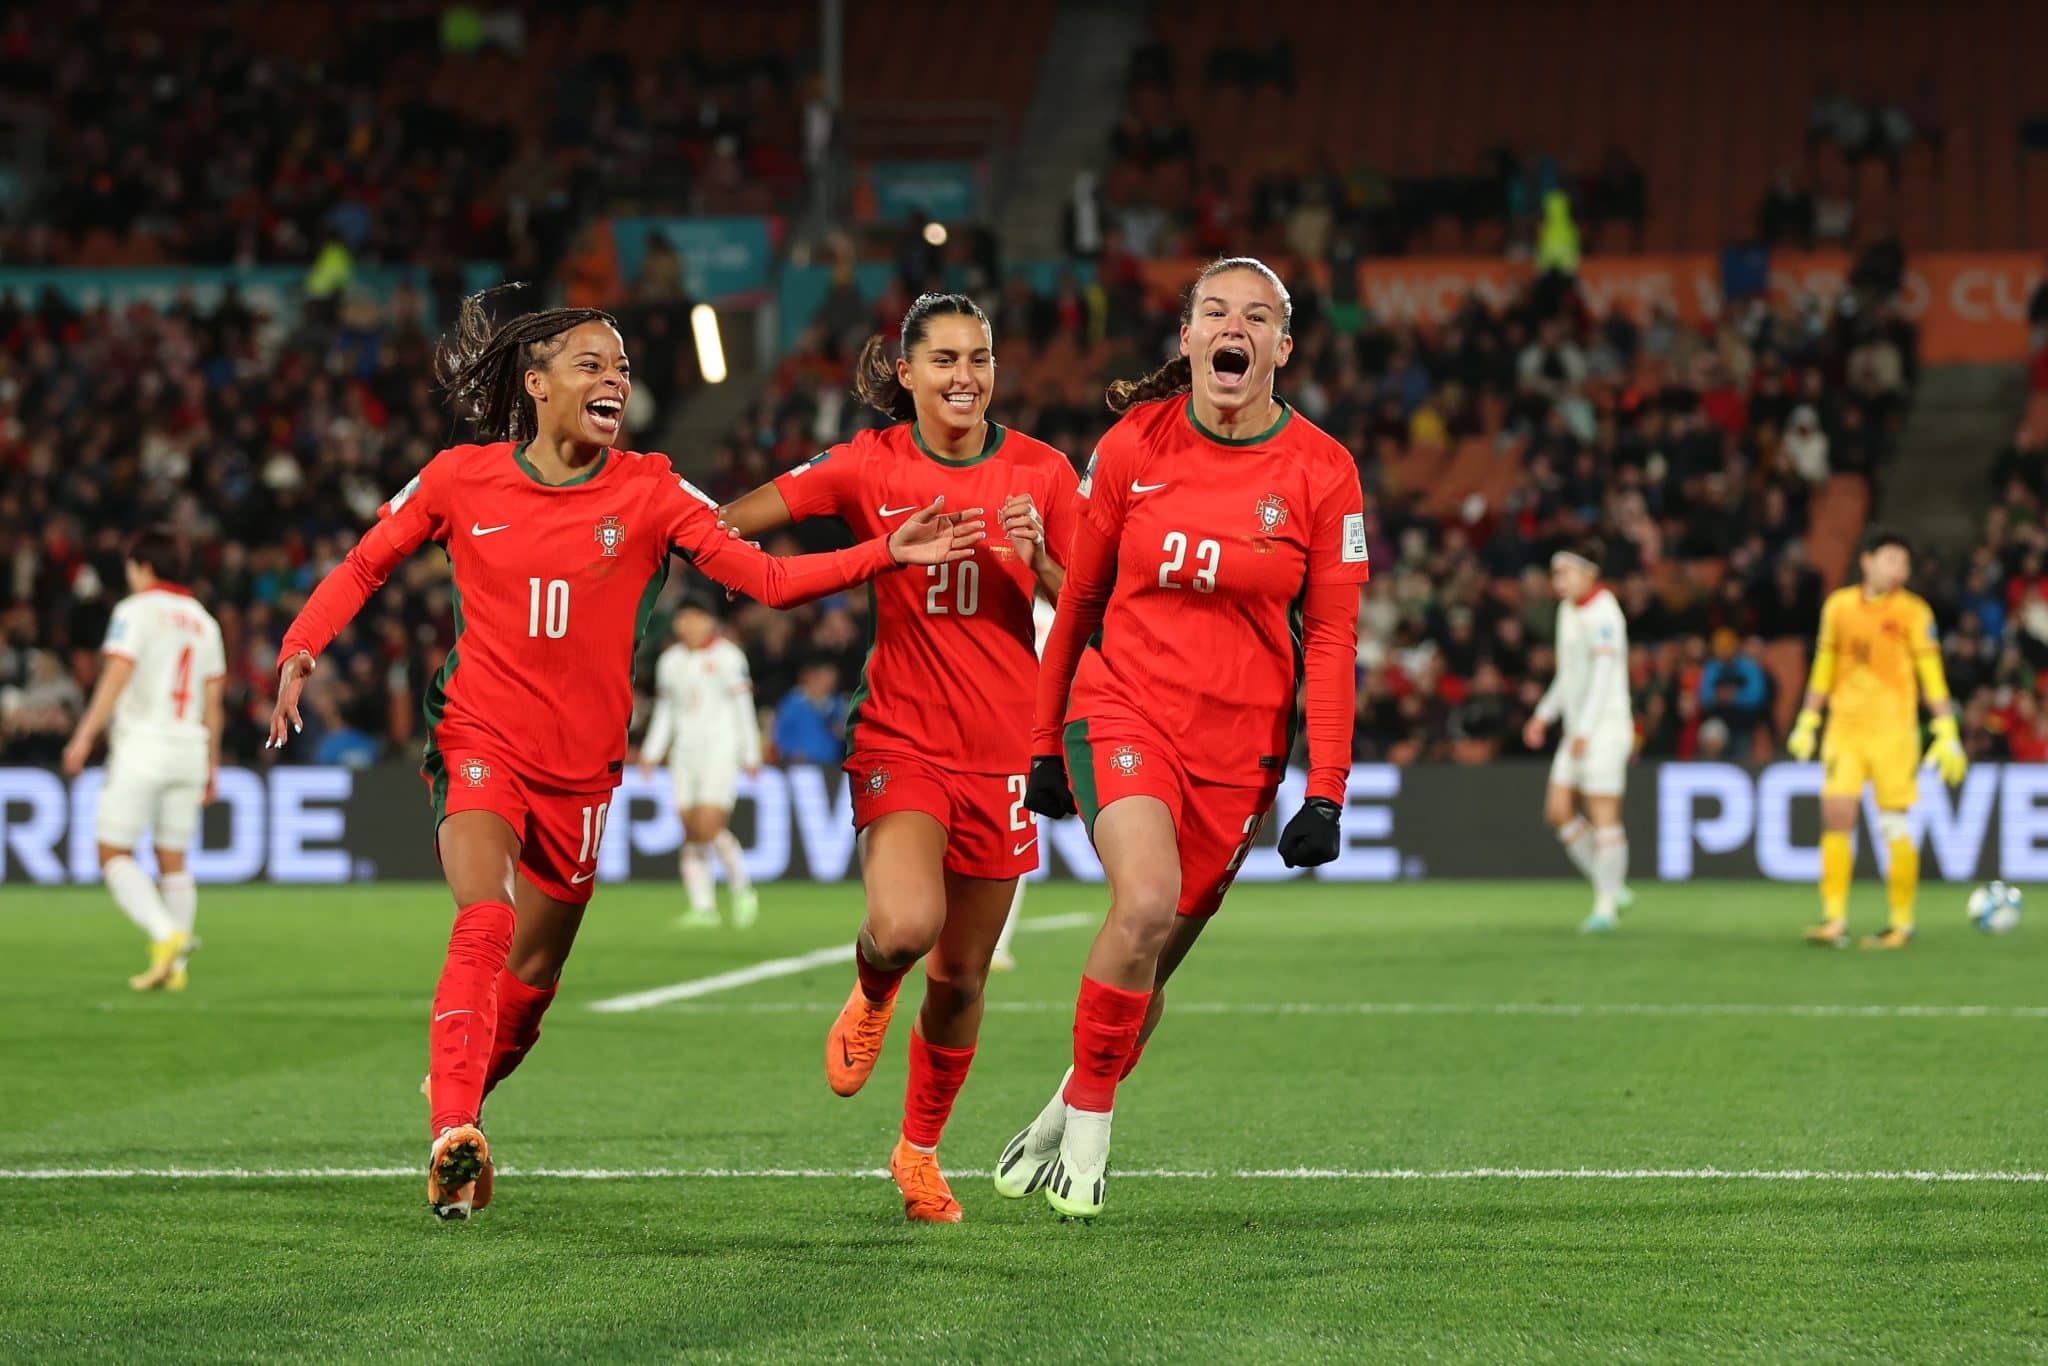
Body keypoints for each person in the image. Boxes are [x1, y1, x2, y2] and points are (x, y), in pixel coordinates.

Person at [265, 286, 984, 1221]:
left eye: (624, 371)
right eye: (592, 366)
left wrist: (883, 552)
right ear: (536, 384)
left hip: (585, 772)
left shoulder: (651, 490)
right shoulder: (458, 478)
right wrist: (300, 646)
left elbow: (764, 578)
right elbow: (366, 561)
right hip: (481, 737)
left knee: (529, 986)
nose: (615, 381)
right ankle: (450, 1128)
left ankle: (467, 1108)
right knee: (485, 915)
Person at [998, 257, 1370, 1219]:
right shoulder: (1134, 445)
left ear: (1280, 348)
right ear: (1190, 338)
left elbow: (1331, 639)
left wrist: (1325, 787)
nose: (1231, 328)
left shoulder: (1324, 471)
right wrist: (1045, 741)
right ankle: (1091, 1136)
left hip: (1239, 748)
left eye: (1254, 317)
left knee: (1148, 960)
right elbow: (1078, 595)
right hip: (1121, 706)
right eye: (1214, 311)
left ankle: (1063, 1105)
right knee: (1145, 900)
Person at [719, 292, 1082, 1222]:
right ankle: (875, 985)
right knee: (908, 926)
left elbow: (1098, 610)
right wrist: (878, 551)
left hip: (1003, 750)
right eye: (946, 360)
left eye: (981, 358)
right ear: (907, 374)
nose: (966, 377)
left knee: (962, 979)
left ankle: (918, 1153)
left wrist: (1045, 564)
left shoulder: (1042, 473)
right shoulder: (866, 464)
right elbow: (728, 526)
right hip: (902, 735)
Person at [60, 528, 225, 991]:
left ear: (143, 567)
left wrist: (83, 737)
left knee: (112, 851)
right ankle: (174, 969)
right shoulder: (204, 621)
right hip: (190, 749)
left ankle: (166, 935)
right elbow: (214, 704)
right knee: (173, 857)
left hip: (144, 747)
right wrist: (212, 766)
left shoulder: (135, 612)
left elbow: (115, 677)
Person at [1787, 528, 1966, 949]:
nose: (1899, 568)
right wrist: (1808, 719)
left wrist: (1946, 728)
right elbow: (1824, 665)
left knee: (1893, 823)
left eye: (1904, 562)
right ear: (1866, 560)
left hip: (1893, 732)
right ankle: (1834, 918)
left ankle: (1900, 922)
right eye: (1891, 559)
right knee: (1837, 815)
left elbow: (1931, 675)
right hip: (1844, 729)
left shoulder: (1914, 612)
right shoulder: (1839, 606)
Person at [1522, 542, 1636, 932]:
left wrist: (1585, 730)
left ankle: (1606, 904)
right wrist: (1543, 714)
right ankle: (1611, 884)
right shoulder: (1569, 611)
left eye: (1566, 573)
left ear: (1590, 573)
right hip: (1577, 729)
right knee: (1558, 811)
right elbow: (1570, 675)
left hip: (1603, 728)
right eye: (1556, 574)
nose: (1559, 582)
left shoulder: (1605, 614)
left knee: (1604, 815)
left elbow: (1605, 678)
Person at [638, 600, 762, 930]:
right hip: (684, 754)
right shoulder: (671, 661)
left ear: (710, 620)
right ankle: (703, 906)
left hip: (721, 750)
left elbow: (743, 707)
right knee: (690, 829)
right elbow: (665, 711)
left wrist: (752, 752)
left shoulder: (728, 656)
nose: (688, 626)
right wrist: (652, 752)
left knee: (708, 825)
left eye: (695, 618)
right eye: (683, 619)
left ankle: (742, 887)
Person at [770, 659, 845, 765]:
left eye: (832, 681)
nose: (828, 684)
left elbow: (846, 733)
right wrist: (791, 751)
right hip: (800, 765)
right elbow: (778, 730)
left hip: (831, 764)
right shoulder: (794, 701)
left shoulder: (836, 703)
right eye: (824, 679)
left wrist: (842, 731)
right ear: (814, 677)